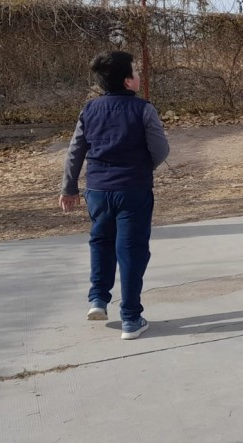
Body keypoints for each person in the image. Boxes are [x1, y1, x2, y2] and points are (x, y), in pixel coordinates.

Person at [59, 51, 169, 341]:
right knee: (132, 250)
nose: (139, 76)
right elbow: (161, 150)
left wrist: (69, 188)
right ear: (127, 80)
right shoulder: (144, 109)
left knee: (100, 241)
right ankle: (131, 318)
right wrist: (145, 166)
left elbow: (75, 152)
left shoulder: (89, 110)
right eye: (135, 72)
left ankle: (97, 299)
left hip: (96, 190)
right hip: (133, 189)